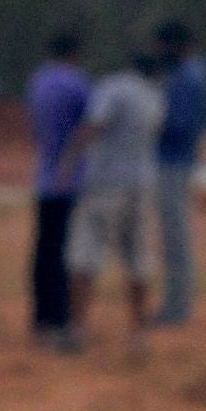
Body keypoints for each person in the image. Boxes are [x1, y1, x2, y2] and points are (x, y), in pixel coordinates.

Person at [69, 38, 169, 351]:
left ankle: (78, 328)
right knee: (139, 258)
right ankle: (138, 332)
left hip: (105, 183)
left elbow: (95, 125)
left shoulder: (113, 87)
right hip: (141, 184)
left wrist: (70, 158)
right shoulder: (156, 96)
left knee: (87, 254)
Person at [24, 26, 93, 351]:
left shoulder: (38, 81)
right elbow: (91, 123)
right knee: (67, 253)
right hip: (73, 179)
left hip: (44, 177)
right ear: (75, 53)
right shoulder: (77, 84)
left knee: (43, 252)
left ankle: (40, 318)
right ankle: (61, 319)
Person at [151, 20, 206, 327]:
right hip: (175, 161)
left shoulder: (188, 77)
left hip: (174, 161)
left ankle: (178, 307)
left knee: (176, 236)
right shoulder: (189, 73)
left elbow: (178, 124)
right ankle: (176, 303)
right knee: (174, 235)